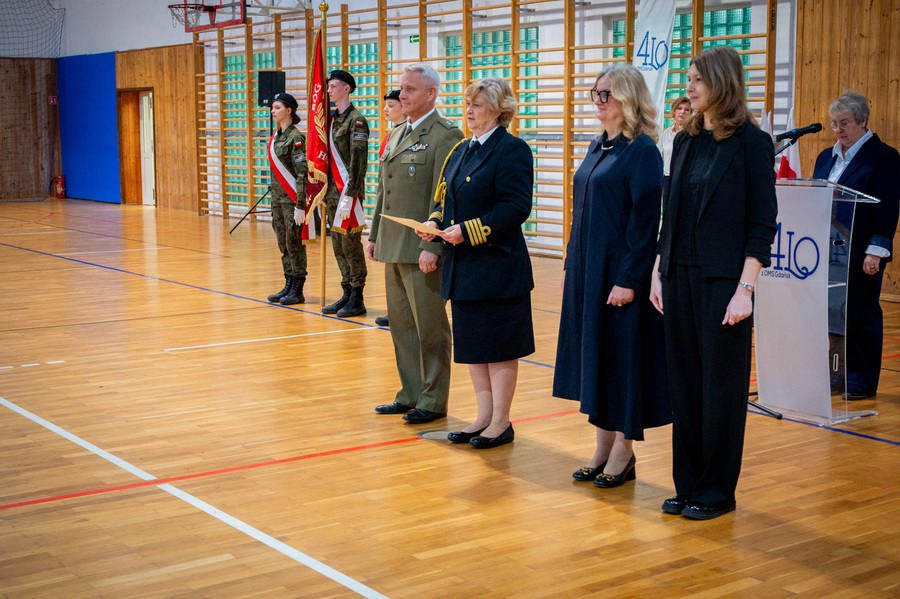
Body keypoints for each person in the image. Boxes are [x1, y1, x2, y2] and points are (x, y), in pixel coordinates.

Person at [650, 46, 778, 520]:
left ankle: (717, 490)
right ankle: (688, 484)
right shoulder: (685, 138)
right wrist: (658, 271)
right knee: (684, 386)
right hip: (678, 276)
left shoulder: (751, 143)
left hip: (724, 283)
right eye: (688, 79)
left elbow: (762, 225)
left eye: (697, 80)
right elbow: (671, 215)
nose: (689, 88)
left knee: (720, 390)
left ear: (722, 82)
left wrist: (746, 289)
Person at [552, 65, 670, 483]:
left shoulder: (642, 151)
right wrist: (571, 265)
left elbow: (645, 223)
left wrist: (629, 279)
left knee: (622, 363)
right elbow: (580, 213)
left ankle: (624, 450)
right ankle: (602, 446)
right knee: (596, 359)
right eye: (596, 94)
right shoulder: (597, 145)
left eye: (607, 94)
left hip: (619, 274)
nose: (599, 102)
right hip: (588, 271)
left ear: (628, 98)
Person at [419, 77, 534, 449]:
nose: (469, 111)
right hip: (465, 266)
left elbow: (516, 207)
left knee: (498, 347)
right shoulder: (462, 149)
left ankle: (501, 421)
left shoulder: (512, 149)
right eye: (468, 104)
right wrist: (435, 222)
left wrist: (468, 231)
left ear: (499, 110)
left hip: (497, 266)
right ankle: (484, 417)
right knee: (474, 346)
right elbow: (445, 198)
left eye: (477, 105)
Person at [367, 63, 464, 424]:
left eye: (409, 89)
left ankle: (433, 399)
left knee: (430, 327)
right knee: (402, 326)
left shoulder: (445, 135)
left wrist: (434, 246)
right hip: (394, 242)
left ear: (431, 93)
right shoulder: (397, 133)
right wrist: (375, 234)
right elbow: (384, 190)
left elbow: (445, 198)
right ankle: (410, 393)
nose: (401, 94)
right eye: (401, 88)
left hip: (423, 247)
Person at [813, 91, 900, 400]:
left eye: (845, 123)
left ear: (863, 120)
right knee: (833, 313)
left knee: (860, 314)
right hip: (828, 249)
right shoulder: (826, 157)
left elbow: (887, 207)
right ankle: (837, 375)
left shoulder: (884, 156)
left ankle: (861, 379)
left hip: (861, 250)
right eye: (834, 123)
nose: (838, 129)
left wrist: (876, 249)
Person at [322, 69, 369, 317]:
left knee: (351, 245)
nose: (329, 90)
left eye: (333, 86)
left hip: (347, 194)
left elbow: (358, 162)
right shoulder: (331, 121)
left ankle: (357, 297)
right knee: (338, 246)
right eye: (328, 86)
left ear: (346, 89)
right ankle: (346, 292)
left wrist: (350, 195)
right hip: (332, 194)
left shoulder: (356, 120)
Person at [265, 92, 308, 306]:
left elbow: (302, 172)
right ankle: (288, 283)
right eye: (273, 108)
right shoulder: (276, 137)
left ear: (289, 110)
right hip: (278, 201)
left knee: (294, 243)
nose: (273, 111)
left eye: (277, 107)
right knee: (283, 243)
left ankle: (297, 288)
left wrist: (300, 204)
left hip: (291, 201)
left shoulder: (296, 138)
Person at [375, 89, 406, 328]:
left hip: (404, 211)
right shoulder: (391, 136)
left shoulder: (407, 135)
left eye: (391, 105)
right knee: (392, 269)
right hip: (389, 209)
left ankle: (401, 312)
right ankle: (395, 310)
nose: (386, 109)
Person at [657, 96, 691, 178]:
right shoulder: (666, 133)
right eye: (679, 108)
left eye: (686, 110)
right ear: (674, 111)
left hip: (684, 178)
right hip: (667, 176)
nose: (682, 112)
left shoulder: (692, 134)